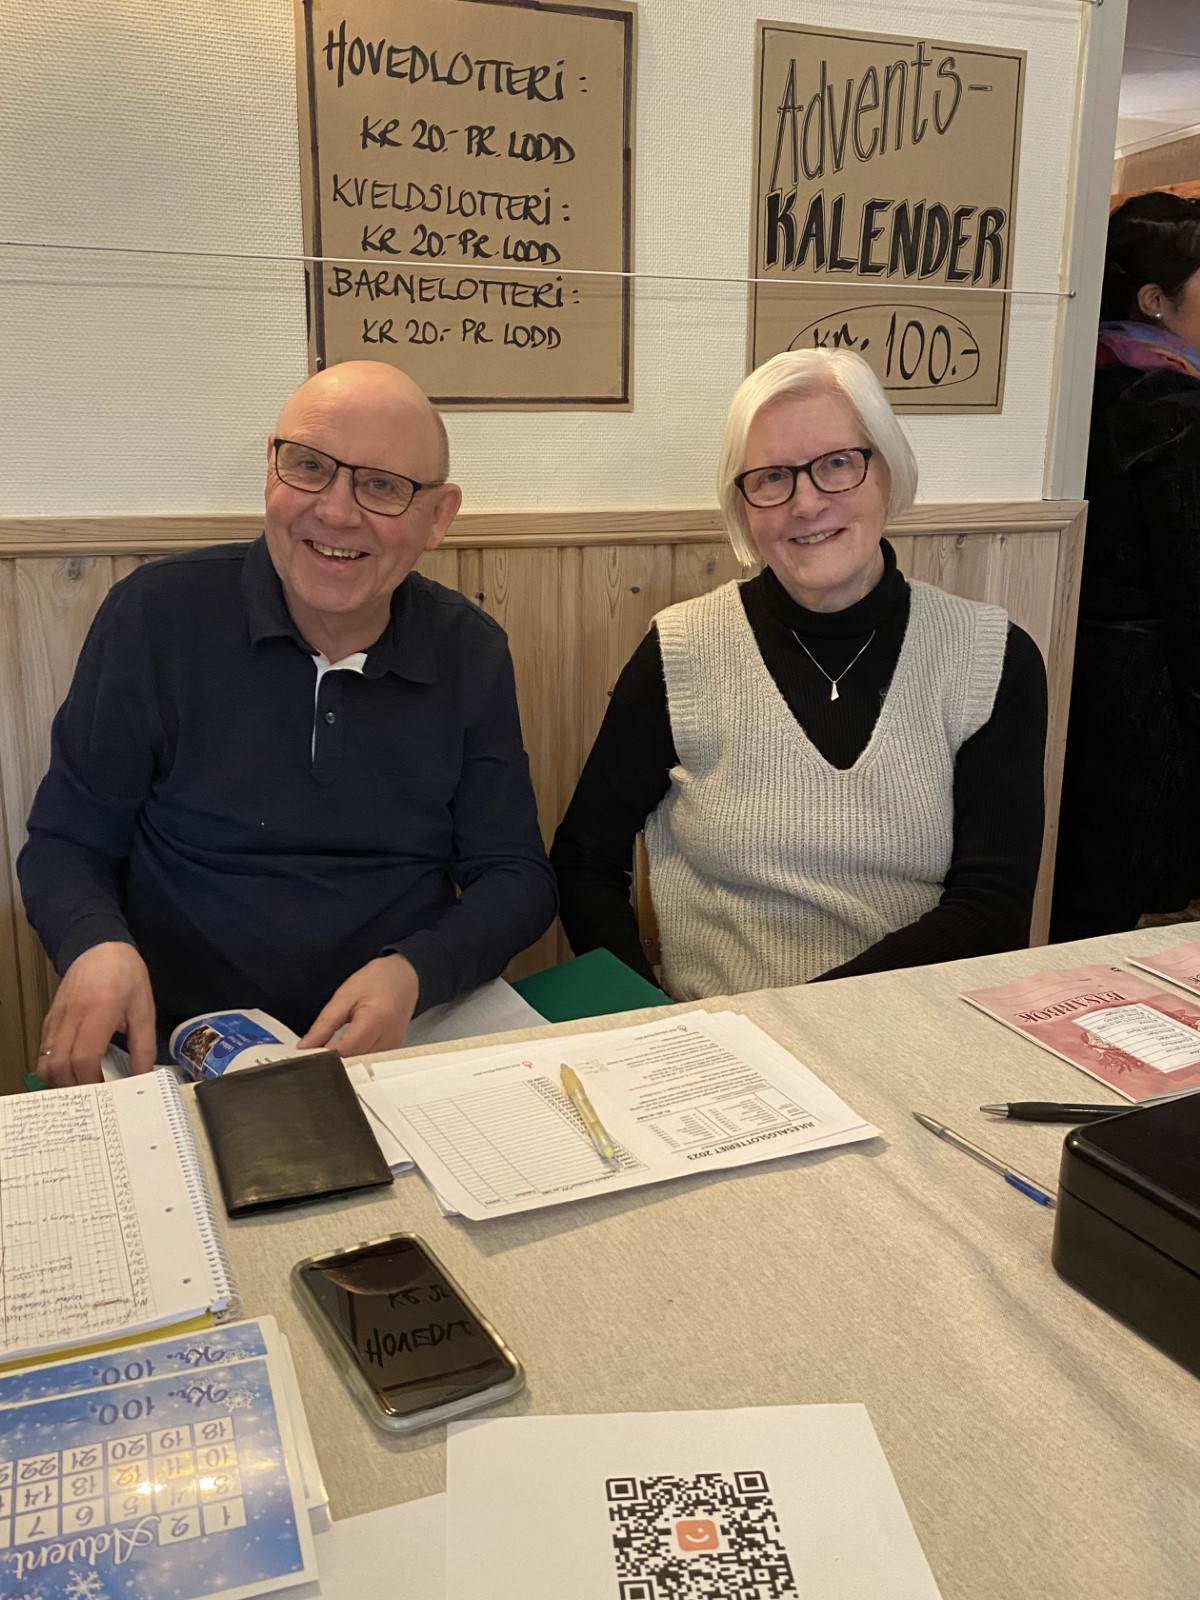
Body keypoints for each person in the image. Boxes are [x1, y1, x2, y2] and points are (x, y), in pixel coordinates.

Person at [20, 360, 557, 1086]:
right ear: (271, 471)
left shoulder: (470, 649)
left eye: (381, 485)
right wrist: (93, 945)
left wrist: (414, 972)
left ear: (438, 517)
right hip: (182, 1039)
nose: (335, 512)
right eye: (309, 467)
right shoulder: (154, 616)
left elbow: (515, 876)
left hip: (402, 1034)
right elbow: (67, 840)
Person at [551, 348, 1047, 999]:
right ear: (744, 506)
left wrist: (799, 1023)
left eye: (837, 464)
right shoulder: (682, 651)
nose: (806, 502)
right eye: (771, 477)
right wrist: (648, 1016)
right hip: (720, 1037)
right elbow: (585, 859)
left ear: (888, 473)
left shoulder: (993, 657)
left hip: (917, 1027)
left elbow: (993, 911)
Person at [1051, 192, 1200, 940]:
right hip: (1155, 706)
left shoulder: (1089, 376)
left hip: (1083, 679)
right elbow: (1194, 596)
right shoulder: (1172, 404)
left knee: (1083, 903)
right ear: (1155, 299)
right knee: (1135, 920)